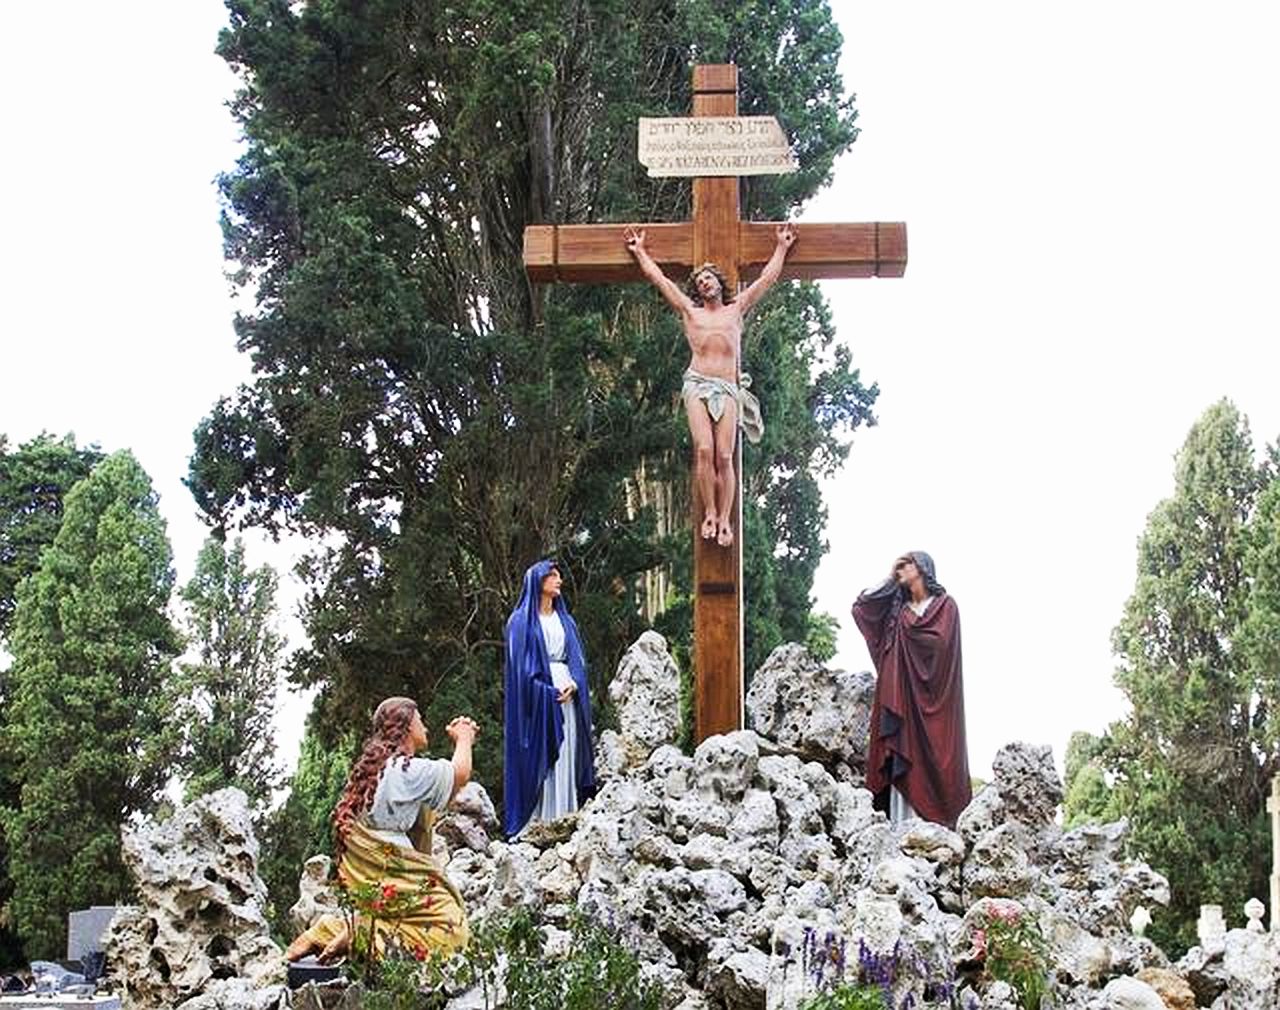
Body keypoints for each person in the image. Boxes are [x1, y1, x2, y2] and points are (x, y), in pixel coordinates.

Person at [623, 223, 796, 547]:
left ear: (719, 282)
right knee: (704, 451)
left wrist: (782, 247)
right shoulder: (690, 311)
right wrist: (640, 252)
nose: (704, 283)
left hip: (727, 387)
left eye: (708, 278)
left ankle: (726, 520)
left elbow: (767, 280)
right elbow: (659, 280)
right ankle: (711, 514)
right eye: (699, 281)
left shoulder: (736, 308)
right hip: (697, 384)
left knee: (725, 455)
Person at [284, 697, 479, 963]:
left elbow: (443, 793)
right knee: (451, 930)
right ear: (407, 725)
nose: (426, 726)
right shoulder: (407, 770)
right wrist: (464, 737)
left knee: (402, 920)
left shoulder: (378, 770)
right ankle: (359, 935)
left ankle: (329, 930)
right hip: (396, 862)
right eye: (420, 720)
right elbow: (460, 773)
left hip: (378, 866)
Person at [851, 552, 971, 827]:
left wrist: (914, 646)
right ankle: (900, 835)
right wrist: (889, 577)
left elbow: (942, 650)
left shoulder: (946, 607)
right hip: (902, 704)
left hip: (936, 704)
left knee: (938, 765)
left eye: (906, 564)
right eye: (899, 566)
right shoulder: (899, 612)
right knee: (902, 762)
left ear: (923, 569)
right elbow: (862, 607)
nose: (900, 568)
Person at [503, 559, 596, 837]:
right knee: (543, 756)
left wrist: (576, 685)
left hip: (567, 693)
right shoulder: (520, 622)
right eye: (553, 575)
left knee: (565, 752)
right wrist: (544, 691)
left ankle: (564, 818)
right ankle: (536, 823)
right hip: (538, 701)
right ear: (538, 581)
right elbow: (519, 669)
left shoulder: (566, 621)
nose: (559, 580)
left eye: (559, 575)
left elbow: (577, 660)